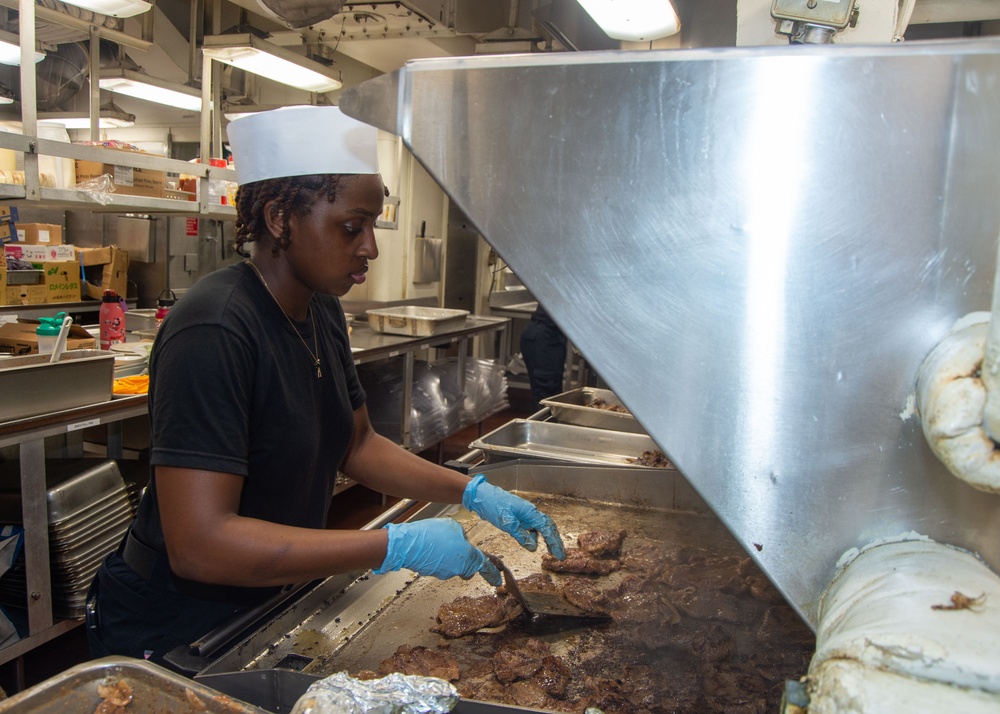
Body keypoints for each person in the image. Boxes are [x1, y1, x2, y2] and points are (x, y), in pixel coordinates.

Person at [86, 106, 565, 665]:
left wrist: (469, 491)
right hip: (175, 621)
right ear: (278, 219)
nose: (370, 247)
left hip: (263, 595)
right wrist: (393, 545)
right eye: (350, 226)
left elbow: (355, 444)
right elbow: (201, 546)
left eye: (372, 225)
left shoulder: (320, 310)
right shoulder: (215, 329)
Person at [520, 304, 568, 410]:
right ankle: (544, 426)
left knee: (550, 395)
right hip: (544, 337)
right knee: (547, 396)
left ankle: (546, 424)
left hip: (546, 335)